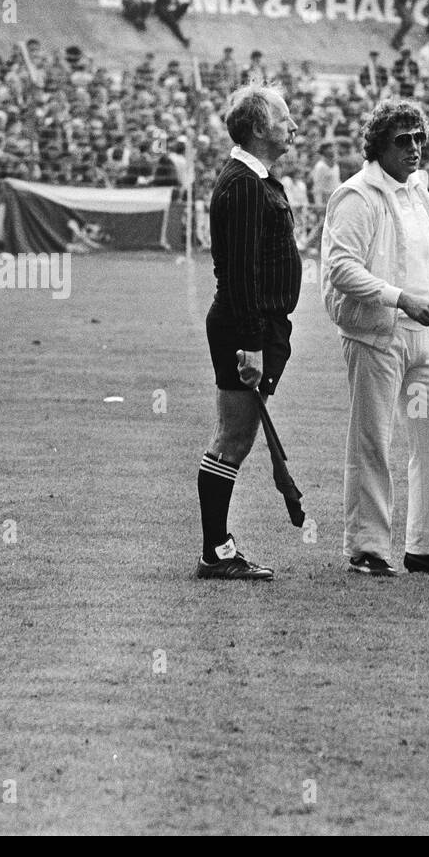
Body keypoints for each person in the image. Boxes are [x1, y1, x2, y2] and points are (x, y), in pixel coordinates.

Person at [321, 99, 429, 578]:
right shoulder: (356, 195)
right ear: (378, 146)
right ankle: (367, 547)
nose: (415, 148)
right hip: (375, 333)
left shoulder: (417, 192)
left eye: (419, 138)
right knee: (372, 440)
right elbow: (342, 268)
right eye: (403, 140)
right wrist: (399, 297)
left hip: (423, 336)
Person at [195, 85, 302, 581]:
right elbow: (241, 276)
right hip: (246, 330)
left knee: (235, 437)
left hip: (254, 328)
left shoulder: (252, 180)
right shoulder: (243, 185)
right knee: (234, 438)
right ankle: (215, 551)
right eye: (283, 118)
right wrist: (253, 344)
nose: (293, 125)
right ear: (259, 128)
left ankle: (216, 549)